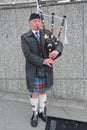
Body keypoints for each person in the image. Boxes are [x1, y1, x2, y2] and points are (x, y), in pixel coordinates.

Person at [21, 13, 63, 127]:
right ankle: (34, 113)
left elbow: (58, 44)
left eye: (38, 21)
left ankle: (41, 111)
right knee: (34, 92)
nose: (37, 23)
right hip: (33, 69)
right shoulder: (25, 37)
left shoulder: (47, 33)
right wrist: (43, 61)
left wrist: (56, 51)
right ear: (30, 23)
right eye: (34, 21)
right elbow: (28, 54)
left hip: (46, 70)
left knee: (44, 91)